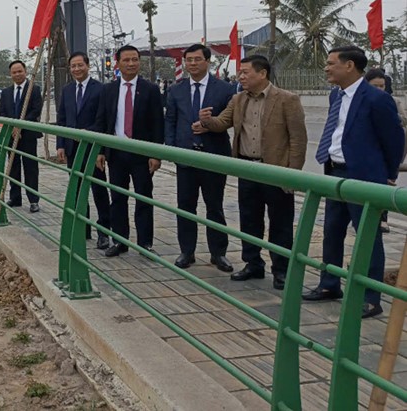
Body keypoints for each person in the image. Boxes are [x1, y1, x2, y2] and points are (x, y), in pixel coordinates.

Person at [302, 46, 404, 319]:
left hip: (364, 178)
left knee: (368, 238)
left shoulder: (375, 98)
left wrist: (388, 174)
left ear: (349, 66)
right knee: (332, 231)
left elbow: (394, 141)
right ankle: (329, 284)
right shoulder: (336, 94)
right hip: (335, 173)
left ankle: (371, 298)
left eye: (331, 63)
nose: (326, 68)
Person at [199, 55, 307, 290]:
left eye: (246, 72)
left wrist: (293, 175)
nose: (241, 77)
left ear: (262, 73)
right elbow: (222, 123)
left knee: (280, 223)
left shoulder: (287, 100)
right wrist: (207, 121)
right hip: (247, 169)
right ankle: (252, 263)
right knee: (249, 220)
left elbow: (298, 140)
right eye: (240, 73)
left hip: (276, 172)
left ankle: (281, 270)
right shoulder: (238, 100)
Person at [165, 44, 235, 273]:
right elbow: (171, 122)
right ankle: (187, 251)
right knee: (186, 206)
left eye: (197, 59)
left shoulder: (224, 89)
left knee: (214, 207)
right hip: (186, 158)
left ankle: (218, 253)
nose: (192, 64)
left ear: (207, 61)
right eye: (189, 60)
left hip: (214, 156)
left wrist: (211, 126)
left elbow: (230, 120)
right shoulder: (176, 90)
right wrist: (172, 149)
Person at [95, 45, 164, 256]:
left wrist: (156, 153)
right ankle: (120, 241)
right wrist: (100, 151)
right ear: (118, 63)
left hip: (142, 154)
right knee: (117, 198)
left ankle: (145, 243)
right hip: (116, 153)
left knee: (143, 197)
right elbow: (102, 121)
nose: (131, 64)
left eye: (135, 60)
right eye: (126, 60)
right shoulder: (108, 90)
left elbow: (157, 124)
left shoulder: (150, 89)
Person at [56, 51, 110, 249]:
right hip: (72, 148)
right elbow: (62, 119)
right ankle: (81, 228)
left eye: (80, 65)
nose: (77, 69)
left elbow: (103, 120)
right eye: (73, 66)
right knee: (77, 191)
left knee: (99, 191)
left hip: (93, 148)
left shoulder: (100, 89)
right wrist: (60, 144)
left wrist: (99, 147)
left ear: (88, 66)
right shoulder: (67, 90)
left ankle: (104, 232)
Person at [364, 67, 407, 232]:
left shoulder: (393, 101)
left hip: (385, 155)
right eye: (375, 86)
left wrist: (391, 114)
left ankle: (383, 219)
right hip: (367, 154)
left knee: (383, 189)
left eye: (382, 86)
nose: (379, 89)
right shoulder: (360, 101)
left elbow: (403, 123)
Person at [0, 60, 43, 212]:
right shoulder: (6, 93)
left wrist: (21, 126)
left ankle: (33, 200)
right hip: (11, 136)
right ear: (10, 74)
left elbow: (36, 110)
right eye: (14, 72)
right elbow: (2, 113)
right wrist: (12, 126)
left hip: (28, 136)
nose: (17, 74)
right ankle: (15, 197)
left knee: (30, 168)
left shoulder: (34, 90)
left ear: (25, 71)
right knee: (13, 167)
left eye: (20, 71)